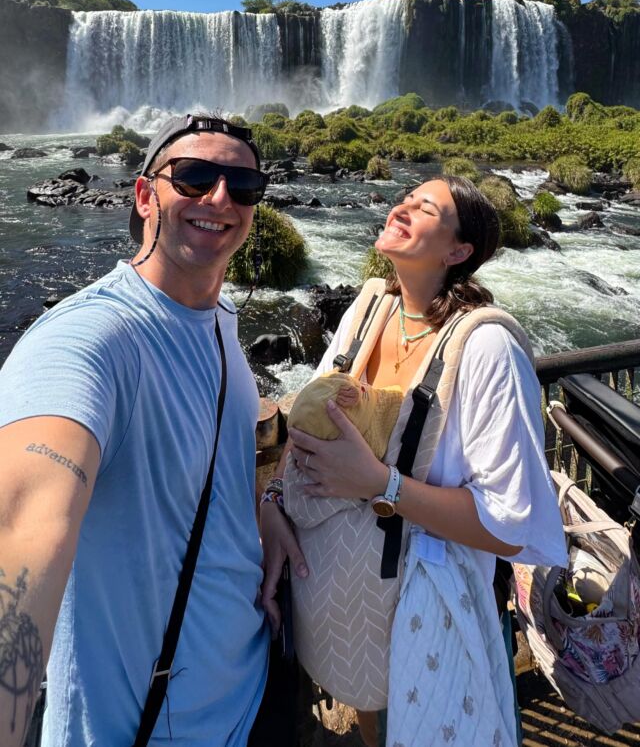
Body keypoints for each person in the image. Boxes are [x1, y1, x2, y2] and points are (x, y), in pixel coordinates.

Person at [261, 176, 567, 747]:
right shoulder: (369, 311)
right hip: (348, 608)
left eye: (424, 208)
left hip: (429, 614)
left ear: (458, 251)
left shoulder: (487, 349)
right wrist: (273, 501)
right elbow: (308, 419)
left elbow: (511, 524)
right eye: (403, 199)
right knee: (375, 726)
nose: (400, 208)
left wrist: (381, 484)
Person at [0, 114, 272, 747]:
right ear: (146, 195)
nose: (220, 198)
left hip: (253, 687)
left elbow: (215, 462)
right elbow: (24, 526)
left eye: (243, 185)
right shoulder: (88, 338)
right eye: (195, 177)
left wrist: (270, 508)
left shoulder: (221, 319)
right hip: (149, 727)